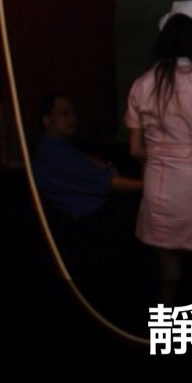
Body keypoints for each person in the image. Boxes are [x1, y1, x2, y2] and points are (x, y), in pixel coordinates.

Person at [125, 0, 192, 310]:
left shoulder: (142, 83)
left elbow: (135, 148)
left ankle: (164, 339)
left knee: (168, 273)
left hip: (156, 184)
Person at [31, 94, 144, 281]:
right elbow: (108, 182)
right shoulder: (53, 153)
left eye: (73, 113)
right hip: (90, 227)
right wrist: (146, 186)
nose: (72, 118)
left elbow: (99, 169)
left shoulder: (62, 147)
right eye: (64, 113)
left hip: (95, 220)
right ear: (47, 120)